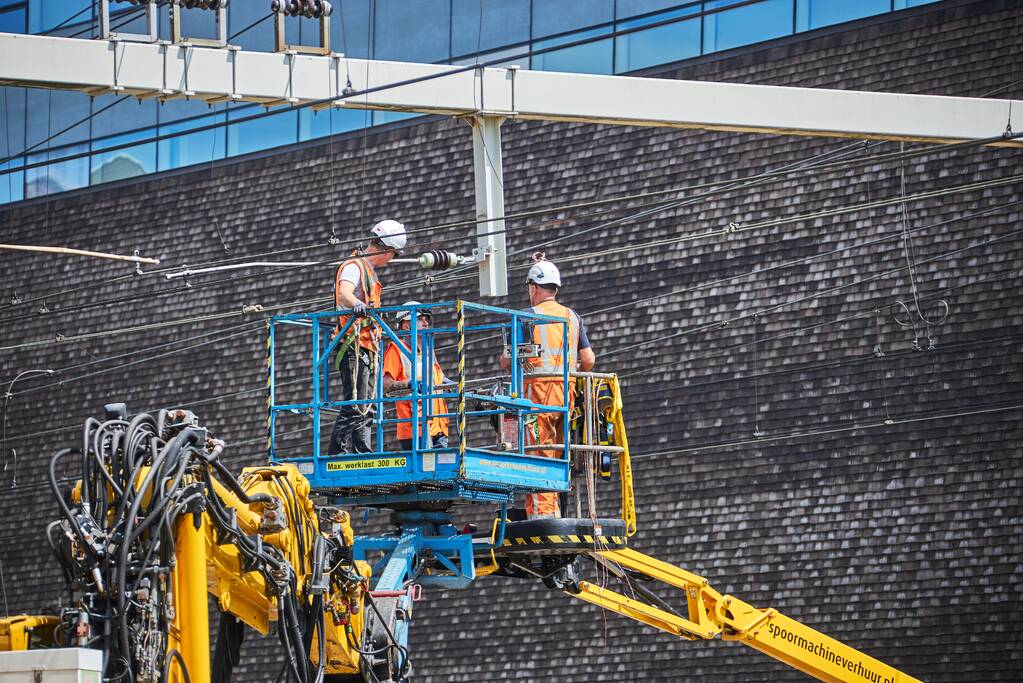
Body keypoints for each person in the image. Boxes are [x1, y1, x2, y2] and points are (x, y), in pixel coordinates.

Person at [499, 259, 595, 519]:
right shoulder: (572, 317)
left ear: (534, 287)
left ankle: (542, 514)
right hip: (566, 397)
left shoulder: (526, 317)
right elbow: (589, 360)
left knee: (538, 454)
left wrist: (509, 360)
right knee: (558, 453)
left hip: (537, 396)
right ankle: (554, 509)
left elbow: (506, 361)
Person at [326, 219, 407, 455]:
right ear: (387, 251)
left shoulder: (368, 271)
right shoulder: (354, 266)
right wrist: (357, 304)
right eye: (393, 255)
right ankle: (336, 452)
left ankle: (362, 450)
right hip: (352, 345)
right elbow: (344, 293)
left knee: (368, 405)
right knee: (355, 404)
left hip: (367, 346)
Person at [382, 302, 450, 451]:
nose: (426, 323)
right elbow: (385, 384)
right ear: (406, 326)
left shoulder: (428, 350)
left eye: (426, 319)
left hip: (438, 428)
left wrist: (459, 385)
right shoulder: (397, 350)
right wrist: (408, 384)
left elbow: (440, 378)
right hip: (415, 430)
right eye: (420, 319)